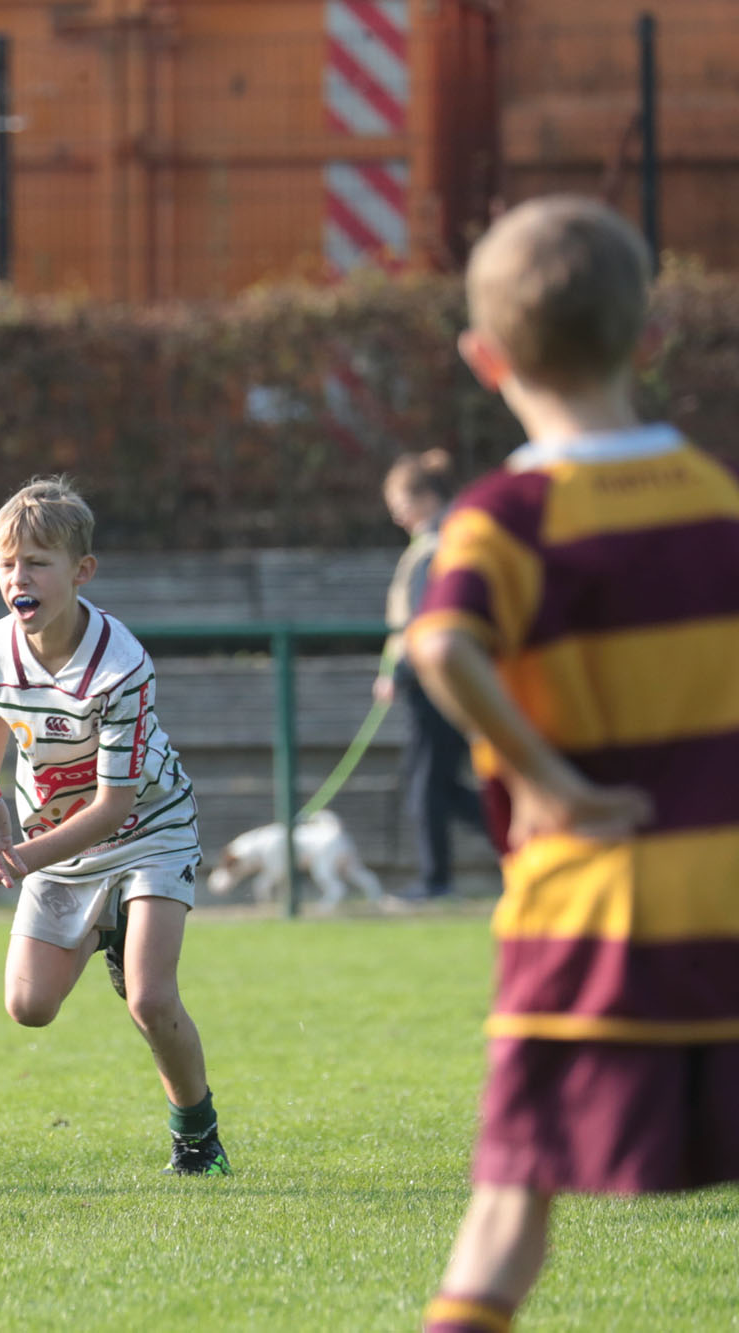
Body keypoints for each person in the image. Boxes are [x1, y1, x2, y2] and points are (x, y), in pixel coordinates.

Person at [406, 196, 738, 1333]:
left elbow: (441, 645)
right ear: (650, 338)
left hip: (583, 915)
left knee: (510, 1206)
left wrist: (550, 783)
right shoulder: (718, 502)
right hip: (724, 907)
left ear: (483, 357)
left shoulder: (505, 516)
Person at [0, 478, 228, 1176]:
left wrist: (20, 856)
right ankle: (111, 930)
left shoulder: (120, 665)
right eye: (8, 563)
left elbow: (113, 806)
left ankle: (198, 1137)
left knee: (151, 999)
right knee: (29, 1006)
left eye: (38, 563)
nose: (19, 578)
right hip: (59, 841)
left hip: (147, 828)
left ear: (83, 571)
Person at [377, 450, 486, 900]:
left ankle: (435, 879)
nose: (396, 515)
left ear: (427, 497)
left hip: (432, 683)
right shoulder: (438, 541)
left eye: (401, 503)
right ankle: (508, 835)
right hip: (436, 680)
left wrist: (399, 673)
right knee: (433, 782)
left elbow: (427, 619)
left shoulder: (438, 546)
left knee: (426, 783)